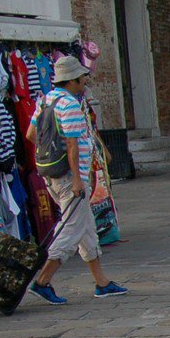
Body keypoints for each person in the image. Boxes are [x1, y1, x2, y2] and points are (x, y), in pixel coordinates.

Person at [25, 54, 129, 305]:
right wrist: (77, 179)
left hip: (52, 174)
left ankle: (102, 283)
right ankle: (43, 281)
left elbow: (31, 134)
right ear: (72, 80)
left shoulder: (45, 100)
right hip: (72, 177)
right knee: (72, 228)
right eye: (82, 77)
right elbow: (72, 144)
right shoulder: (70, 104)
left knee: (86, 228)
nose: (85, 80)